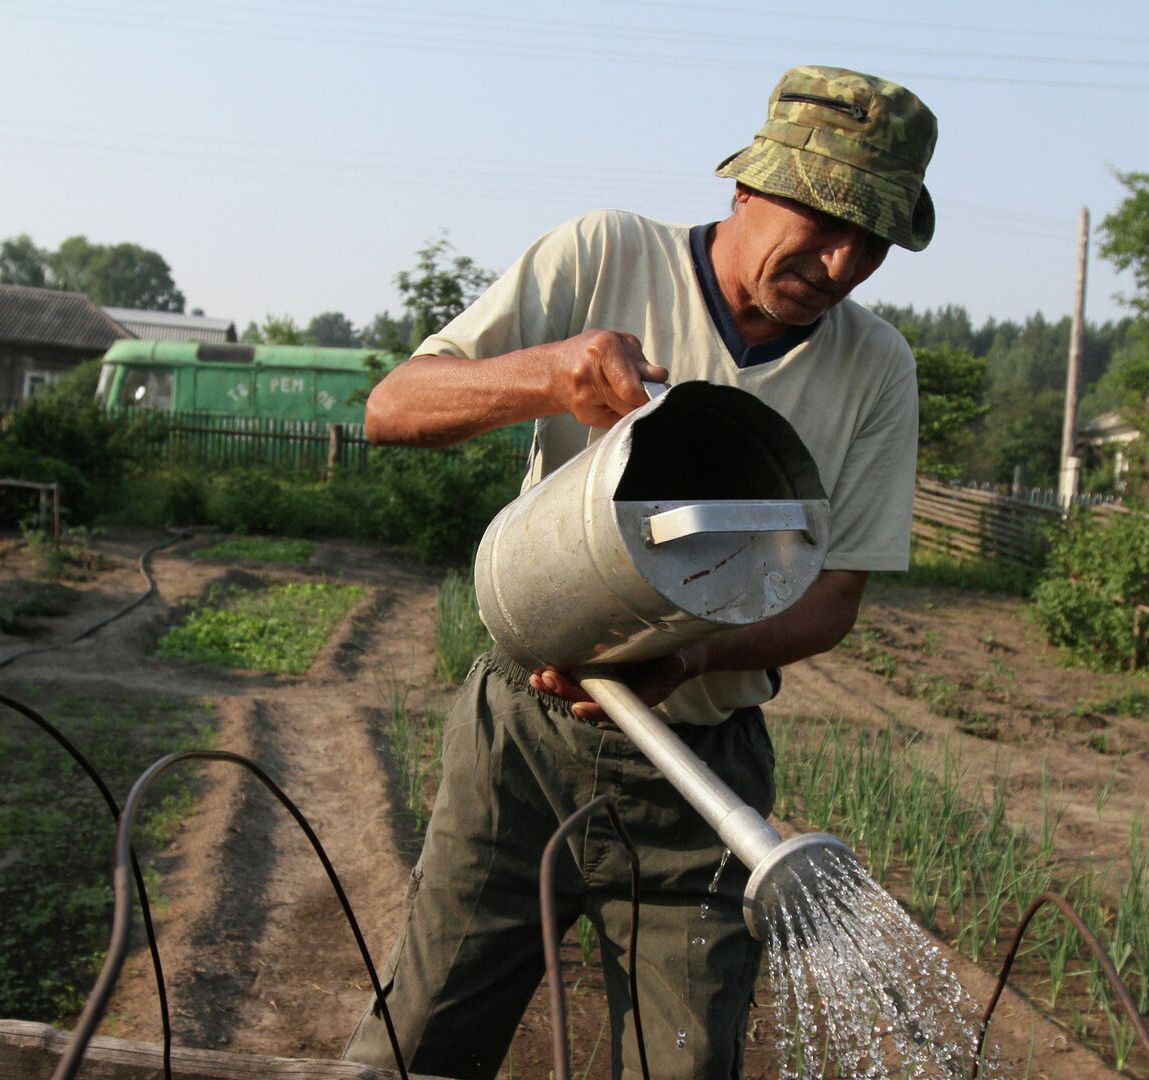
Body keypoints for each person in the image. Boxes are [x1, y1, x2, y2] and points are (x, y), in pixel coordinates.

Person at [345, 64, 938, 1079]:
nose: (841, 260)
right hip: (520, 743)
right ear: (747, 186)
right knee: (419, 1046)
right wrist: (546, 373)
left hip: (701, 774)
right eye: (822, 217)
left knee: (684, 1061)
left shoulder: (874, 366)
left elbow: (835, 594)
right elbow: (393, 407)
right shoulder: (606, 254)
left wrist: (694, 650)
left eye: (871, 238)